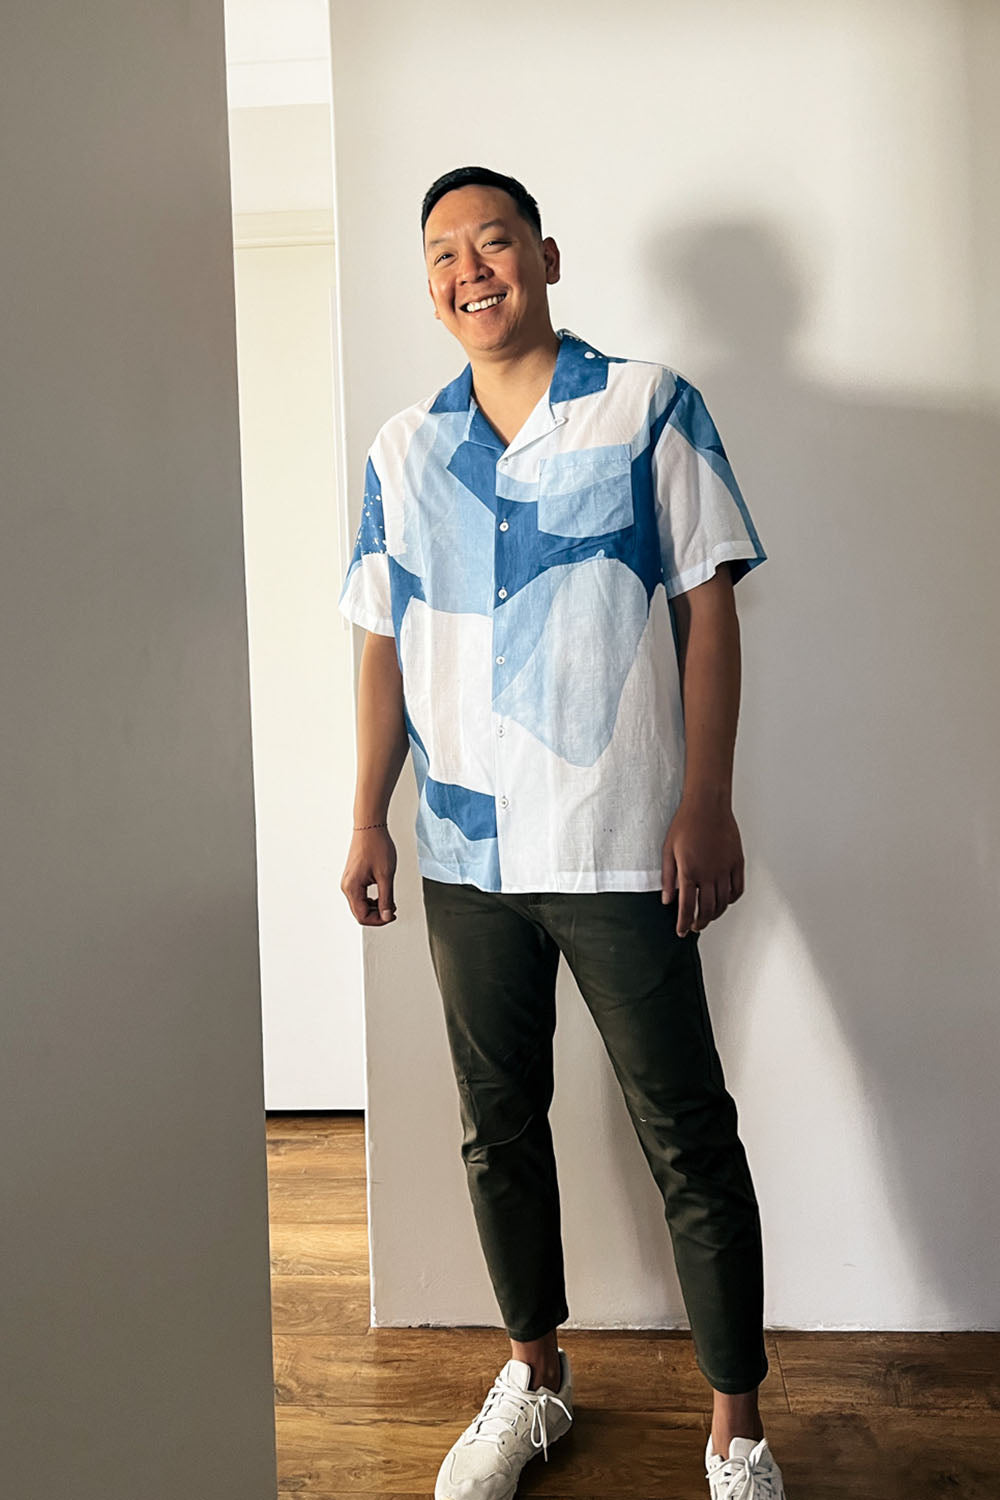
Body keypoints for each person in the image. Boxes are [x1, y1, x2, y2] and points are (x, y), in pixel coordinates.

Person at [338, 164, 786, 1500]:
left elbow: (709, 607)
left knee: (687, 1129)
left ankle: (739, 1428)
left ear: (542, 254)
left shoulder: (648, 406)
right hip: (467, 855)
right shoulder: (402, 451)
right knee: (496, 1125)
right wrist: (365, 814)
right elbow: (382, 643)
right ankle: (534, 1377)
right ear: (430, 286)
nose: (469, 271)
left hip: (617, 841)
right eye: (442, 256)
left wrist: (705, 800)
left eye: (491, 243)